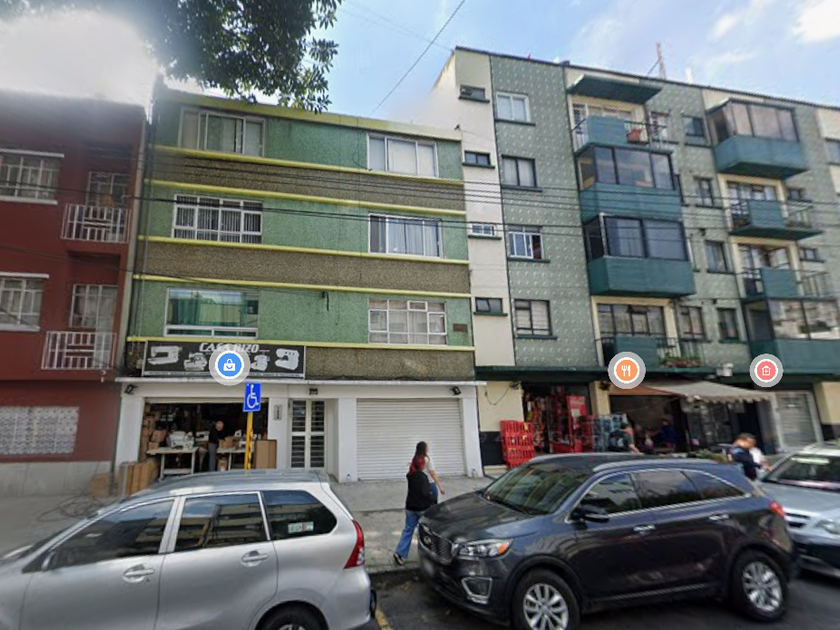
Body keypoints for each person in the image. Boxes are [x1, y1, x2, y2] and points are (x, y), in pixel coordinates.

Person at [393, 453, 434, 566]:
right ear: (422, 465)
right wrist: (432, 501)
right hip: (422, 508)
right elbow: (426, 493)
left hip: (410, 507)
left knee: (408, 530)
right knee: (426, 531)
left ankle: (399, 553)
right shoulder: (423, 477)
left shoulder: (410, 475)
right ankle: (429, 554)